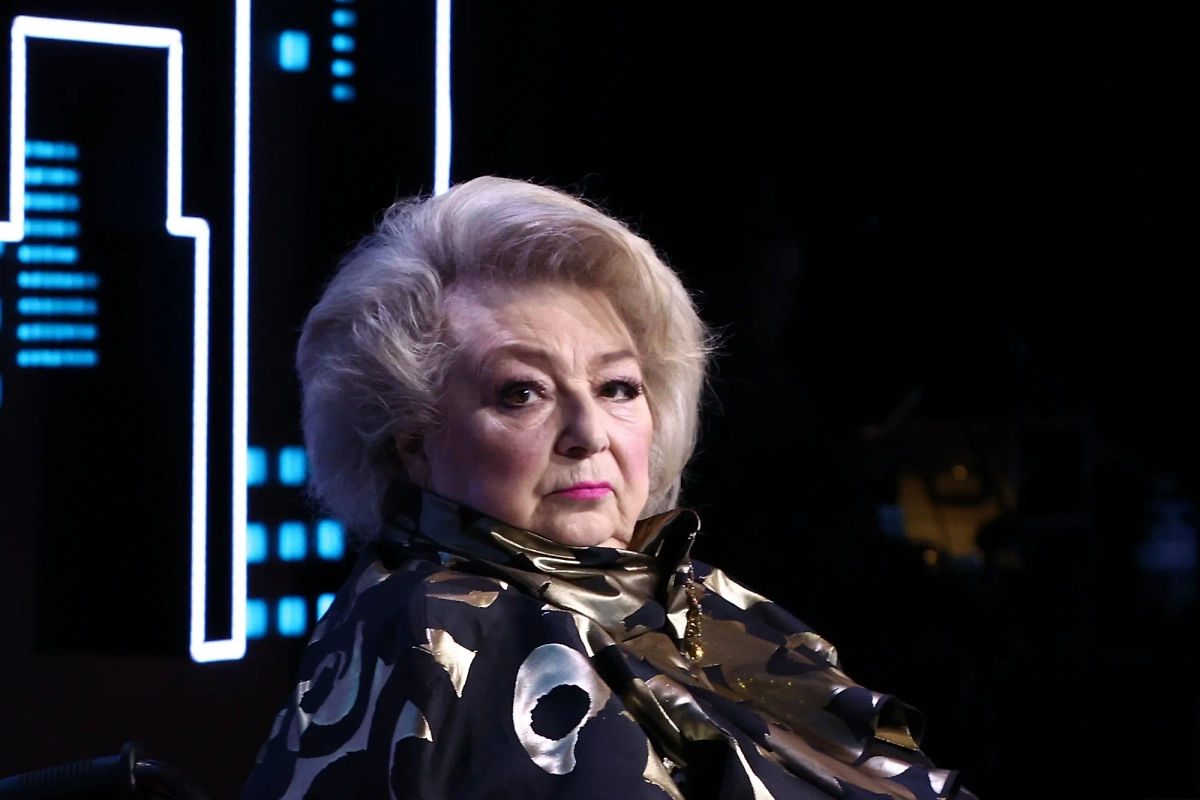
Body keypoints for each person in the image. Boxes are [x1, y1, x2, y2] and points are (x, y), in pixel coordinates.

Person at [240, 177, 975, 799]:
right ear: (412, 439)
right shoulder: (446, 625)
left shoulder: (697, 595)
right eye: (522, 393)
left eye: (618, 386)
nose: (589, 432)